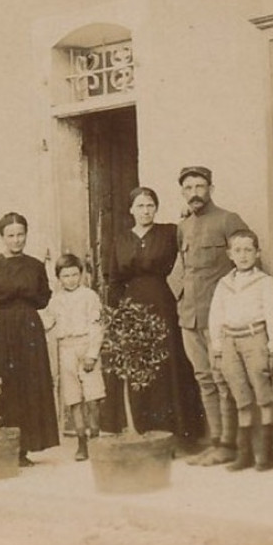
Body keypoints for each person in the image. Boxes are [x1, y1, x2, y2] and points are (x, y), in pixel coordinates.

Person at [109, 186, 202, 448]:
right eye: (140, 206)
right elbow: (113, 279)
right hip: (132, 308)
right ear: (131, 210)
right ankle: (143, 429)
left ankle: (177, 433)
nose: (145, 210)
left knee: (168, 364)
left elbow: (189, 236)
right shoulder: (121, 239)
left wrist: (187, 214)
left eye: (150, 205)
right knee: (140, 367)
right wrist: (120, 314)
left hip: (162, 303)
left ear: (156, 208)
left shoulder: (169, 232)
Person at [175, 165, 250, 467]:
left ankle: (230, 445)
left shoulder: (228, 220)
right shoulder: (183, 227)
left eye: (199, 186)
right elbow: (184, 269)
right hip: (189, 316)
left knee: (223, 380)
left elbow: (247, 262)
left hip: (218, 316)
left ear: (211, 188)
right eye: (188, 188)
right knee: (204, 379)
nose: (194, 193)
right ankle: (215, 441)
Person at [0, 212, 62, 466]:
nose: (16, 240)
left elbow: (43, 298)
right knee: (7, 384)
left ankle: (26, 447)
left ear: (26, 234)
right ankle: (7, 444)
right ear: (2, 237)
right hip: (2, 329)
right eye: (10, 235)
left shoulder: (35, 265)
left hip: (30, 329)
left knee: (30, 384)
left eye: (20, 234)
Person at [206, 229, 273, 472]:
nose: (243, 255)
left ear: (257, 253)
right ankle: (245, 453)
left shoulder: (264, 282)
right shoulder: (224, 284)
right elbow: (216, 316)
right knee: (241, 398)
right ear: (230, 254)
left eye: (248, 250)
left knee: (263, 395)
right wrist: (218, 347)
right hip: (230, 341)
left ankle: (266, 453)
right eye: (238, 250)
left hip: (255, 338)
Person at [47, 253, 105, 461]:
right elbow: (47, 321)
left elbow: (97, 326)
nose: (71, 279)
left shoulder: (89, 296)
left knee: (93, 395)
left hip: (85, 345)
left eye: (74, 275)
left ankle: (95, 437)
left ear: (81, 274)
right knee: (73, 397)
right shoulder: (55, 300)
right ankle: (81, 442)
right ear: (59, 278)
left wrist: (92, 354)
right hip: (66, 348)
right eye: (65, 276)